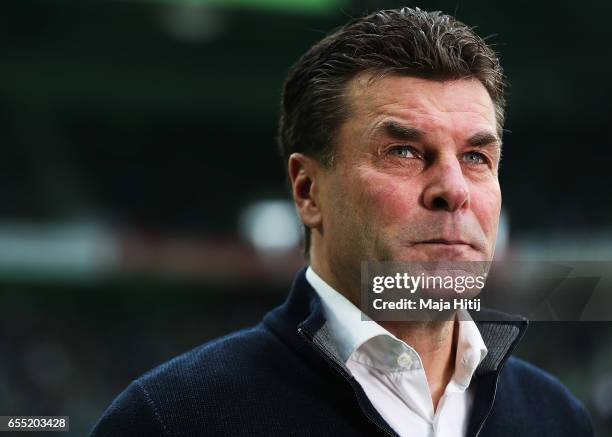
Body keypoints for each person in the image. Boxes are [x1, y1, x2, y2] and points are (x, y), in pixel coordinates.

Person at [90, 7, 594, 436]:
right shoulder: (172, 420)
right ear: (309, 191)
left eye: (477, 157)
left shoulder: (555, 417)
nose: (455, 190)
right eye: (403, 151)